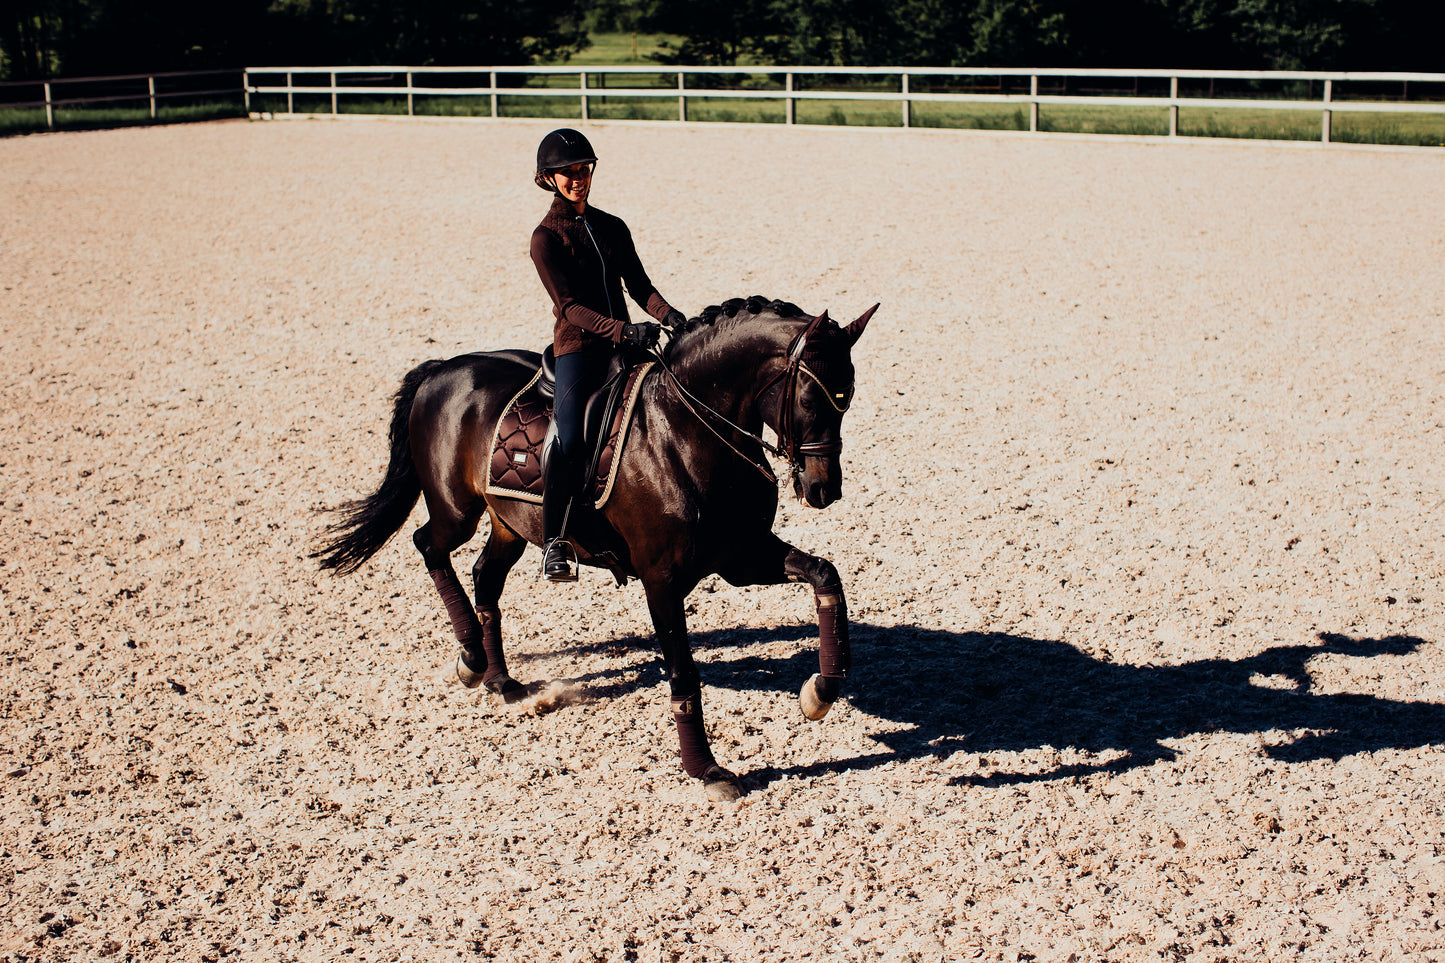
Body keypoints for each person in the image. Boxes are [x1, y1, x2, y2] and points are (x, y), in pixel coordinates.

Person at [530, 128, 686, 582]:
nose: (578, 179)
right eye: (568, 173)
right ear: (548, 179)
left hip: (628, 342)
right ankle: (556, 540)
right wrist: (622, 330)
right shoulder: (546, 238)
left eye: (583, 170)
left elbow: (639, 285)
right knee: (571, 439)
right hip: (579, 348)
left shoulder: (612, 226)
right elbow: (569, 308)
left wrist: (669, 313)